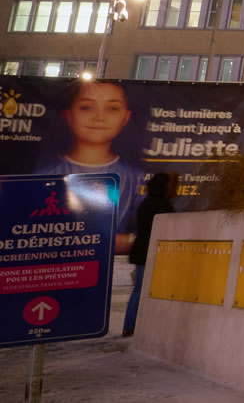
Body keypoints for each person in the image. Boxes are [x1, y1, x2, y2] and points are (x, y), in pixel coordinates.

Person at [35, 78, 150, 251]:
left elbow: (144, 237)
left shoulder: (136, 178)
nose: (99, 117)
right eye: (86, 107)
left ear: (126, 117)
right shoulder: (44, 176)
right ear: (68, 114)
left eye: (112, 108)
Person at [123, 172, 175, 336]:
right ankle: (132, 325)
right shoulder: (161, 205)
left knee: (139, 289)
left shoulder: (147, 203)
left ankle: (130, 325)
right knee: (142, 290)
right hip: (150, 251)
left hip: (141, 250)